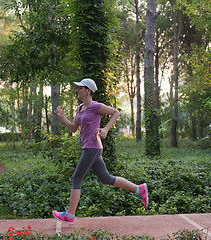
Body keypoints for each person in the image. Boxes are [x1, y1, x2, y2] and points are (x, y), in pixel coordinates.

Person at [52, 78, 148, 226]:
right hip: (90, 147)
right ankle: (139, 189)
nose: (77, 90)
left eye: (80, 88)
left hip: (92, 147)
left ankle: (70, 215)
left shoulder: (96, 106)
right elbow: (73, 128)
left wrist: (106, 129)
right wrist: (62, 117)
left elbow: (116, 113)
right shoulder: (79, 108)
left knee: (76, 179)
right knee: (106, 179)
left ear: (88, 90)